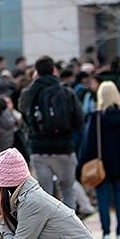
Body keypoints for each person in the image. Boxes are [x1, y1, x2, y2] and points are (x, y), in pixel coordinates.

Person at [18, 56, 93, 217]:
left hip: (39, 149)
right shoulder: (66, 92)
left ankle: (48, 231)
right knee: (67, 189)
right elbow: (79, 121)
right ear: (54, 70)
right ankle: (70, 227)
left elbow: (24, 116)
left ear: (36, 73)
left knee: (44, 194)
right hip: (64, 148)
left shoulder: (29, 93)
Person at [78, 82, 120, 239]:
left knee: (103, 199)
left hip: (101, 165)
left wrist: (82, 163)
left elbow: (88, 144)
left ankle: (106, 232)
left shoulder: (96, 117)